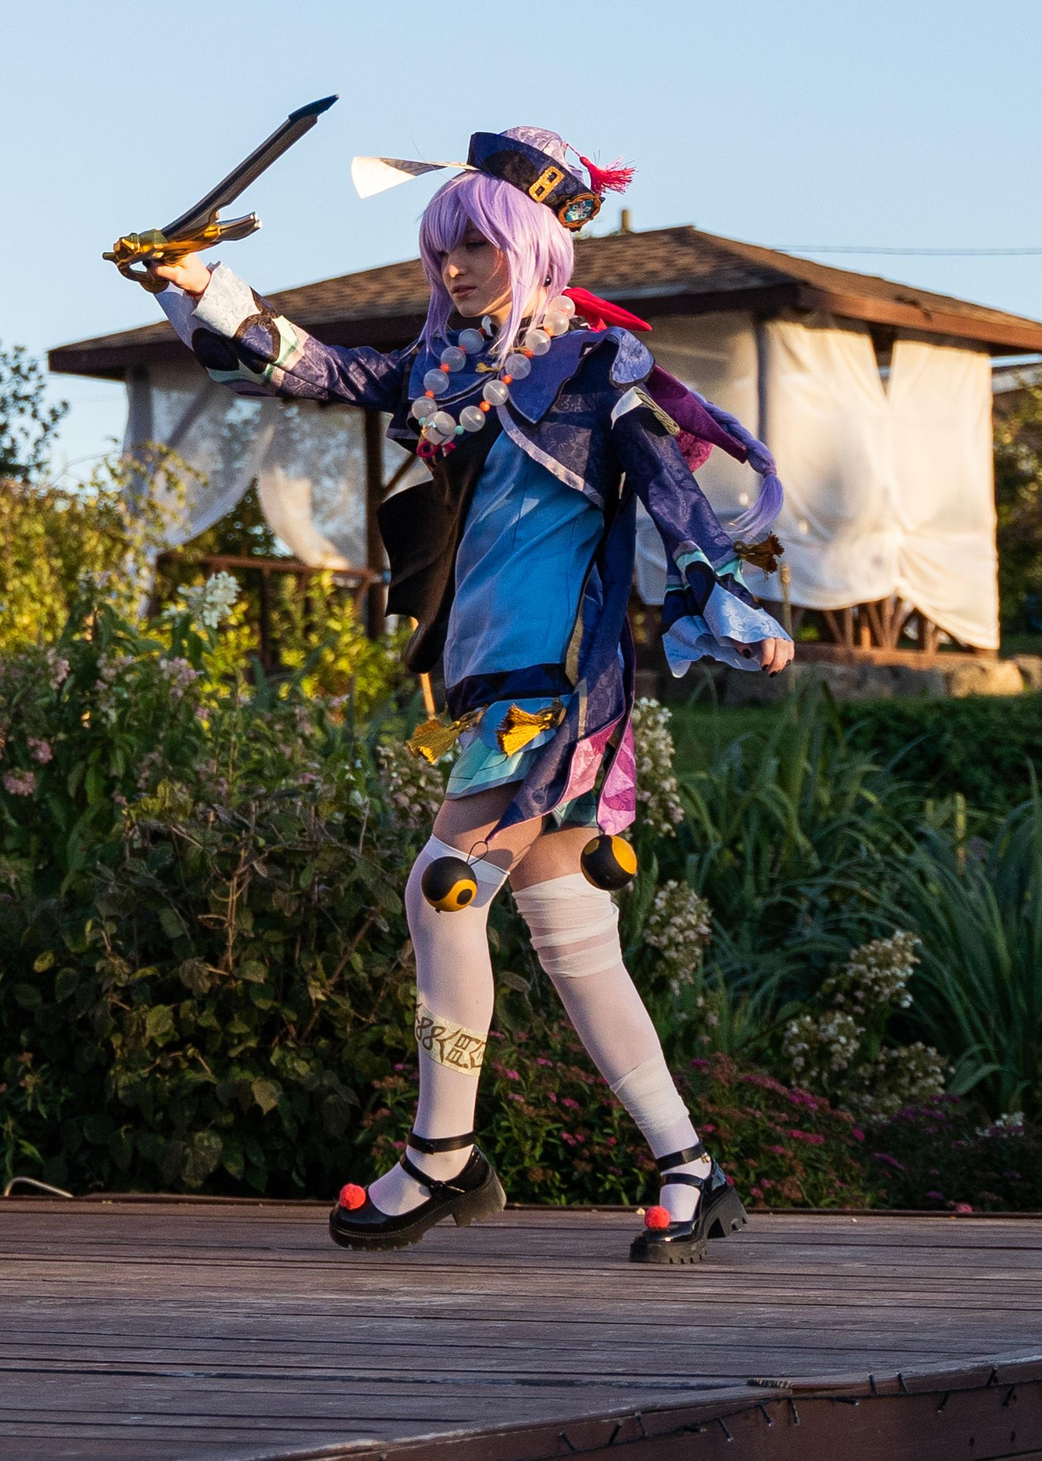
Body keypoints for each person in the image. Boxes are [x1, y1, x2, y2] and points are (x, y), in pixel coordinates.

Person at [151, 127, 794, 1266]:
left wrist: (729, 601)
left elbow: (669, 497)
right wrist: (197, 283)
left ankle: (441, 1156)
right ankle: (691, 1164)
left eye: (476, 250)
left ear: (534, 248)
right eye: (441, 249)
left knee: (443, 890)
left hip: (556, 688)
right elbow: (316, 368)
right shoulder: (446, 373)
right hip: (494, 678)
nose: (452, 270)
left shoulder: (596, 373)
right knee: (570, 931)